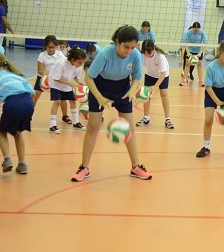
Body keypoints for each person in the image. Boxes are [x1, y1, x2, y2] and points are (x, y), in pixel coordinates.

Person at [71, 25, 152, 182]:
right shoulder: (105, 54)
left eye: (132, 47)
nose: (129, 51)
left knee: (129, 128)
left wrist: (132, 90)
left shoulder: (135, 55)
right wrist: (99, 97)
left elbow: (137, 77)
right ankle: (84, 167)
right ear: (117, 42)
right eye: (126, 47)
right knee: (93, 126)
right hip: (100, 86)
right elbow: (89, 77)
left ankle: (136, 167)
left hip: (123, 88)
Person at [0, 52, 35, 176]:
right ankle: (22, 164)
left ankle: (7, 159)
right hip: (28, 103)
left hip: (13, 102)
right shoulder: (17, 75)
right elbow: (32, 92)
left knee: (2, 132)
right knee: (18, 133)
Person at [197, 39, 224, 158]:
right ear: (220, 53)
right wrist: (218, 102)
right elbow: (208, 87)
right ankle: (206, 147)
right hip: (212, 92)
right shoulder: (211, 67)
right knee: (208, 119)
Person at [135, 39, 174, 129]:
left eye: (149, 53)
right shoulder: (142, 55)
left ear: (153, 49)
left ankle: (167, 119)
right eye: (145, 53)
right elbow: (139, 69)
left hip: (162, 74)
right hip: (150, 73)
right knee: (146, 94)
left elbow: (163, 74)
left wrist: (155, 86)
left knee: (163, 93)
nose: (147, 55)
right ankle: (146, 117)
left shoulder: (160, 57)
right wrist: (137, 83)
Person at [48, 47, 88, 132]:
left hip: (66, 84)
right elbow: (56, 78)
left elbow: (75, 76)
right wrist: (70, 83)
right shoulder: (61, 63)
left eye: (82, 63)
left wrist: (79, 81)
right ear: (73, 60)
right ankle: (52, 125)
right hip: (55, 84)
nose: (81, 65)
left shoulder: (78, 66)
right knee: (57, 102)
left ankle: (76, 123)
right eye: (80, 62)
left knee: (73, 101)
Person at [32, 35, 64, 105]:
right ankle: (29, 111)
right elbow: (40, 70)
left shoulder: (60, 55)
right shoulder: (42, 55)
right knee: (34, 96)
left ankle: (64, 113)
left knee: (59, 100)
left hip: (55, 79)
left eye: (53, 47)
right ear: (45, 46)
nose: (51, 49)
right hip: (43, 78)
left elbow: (63, 68)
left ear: (56, 46)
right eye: (49, 47)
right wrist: (47, 77)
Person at [179, 22, 208, 87]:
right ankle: (185, 80)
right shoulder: (188, 32)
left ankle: (200, 81)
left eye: (197, 30)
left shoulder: (202, 33)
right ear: (192, 28)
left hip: (198, 50)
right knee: (187, 64)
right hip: (190, 50)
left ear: (199, 28)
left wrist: (200, 53)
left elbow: (205, 43)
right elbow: (185, 43)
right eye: (194, 30)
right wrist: (188, 52)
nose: (196, 31)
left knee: (199, 64)